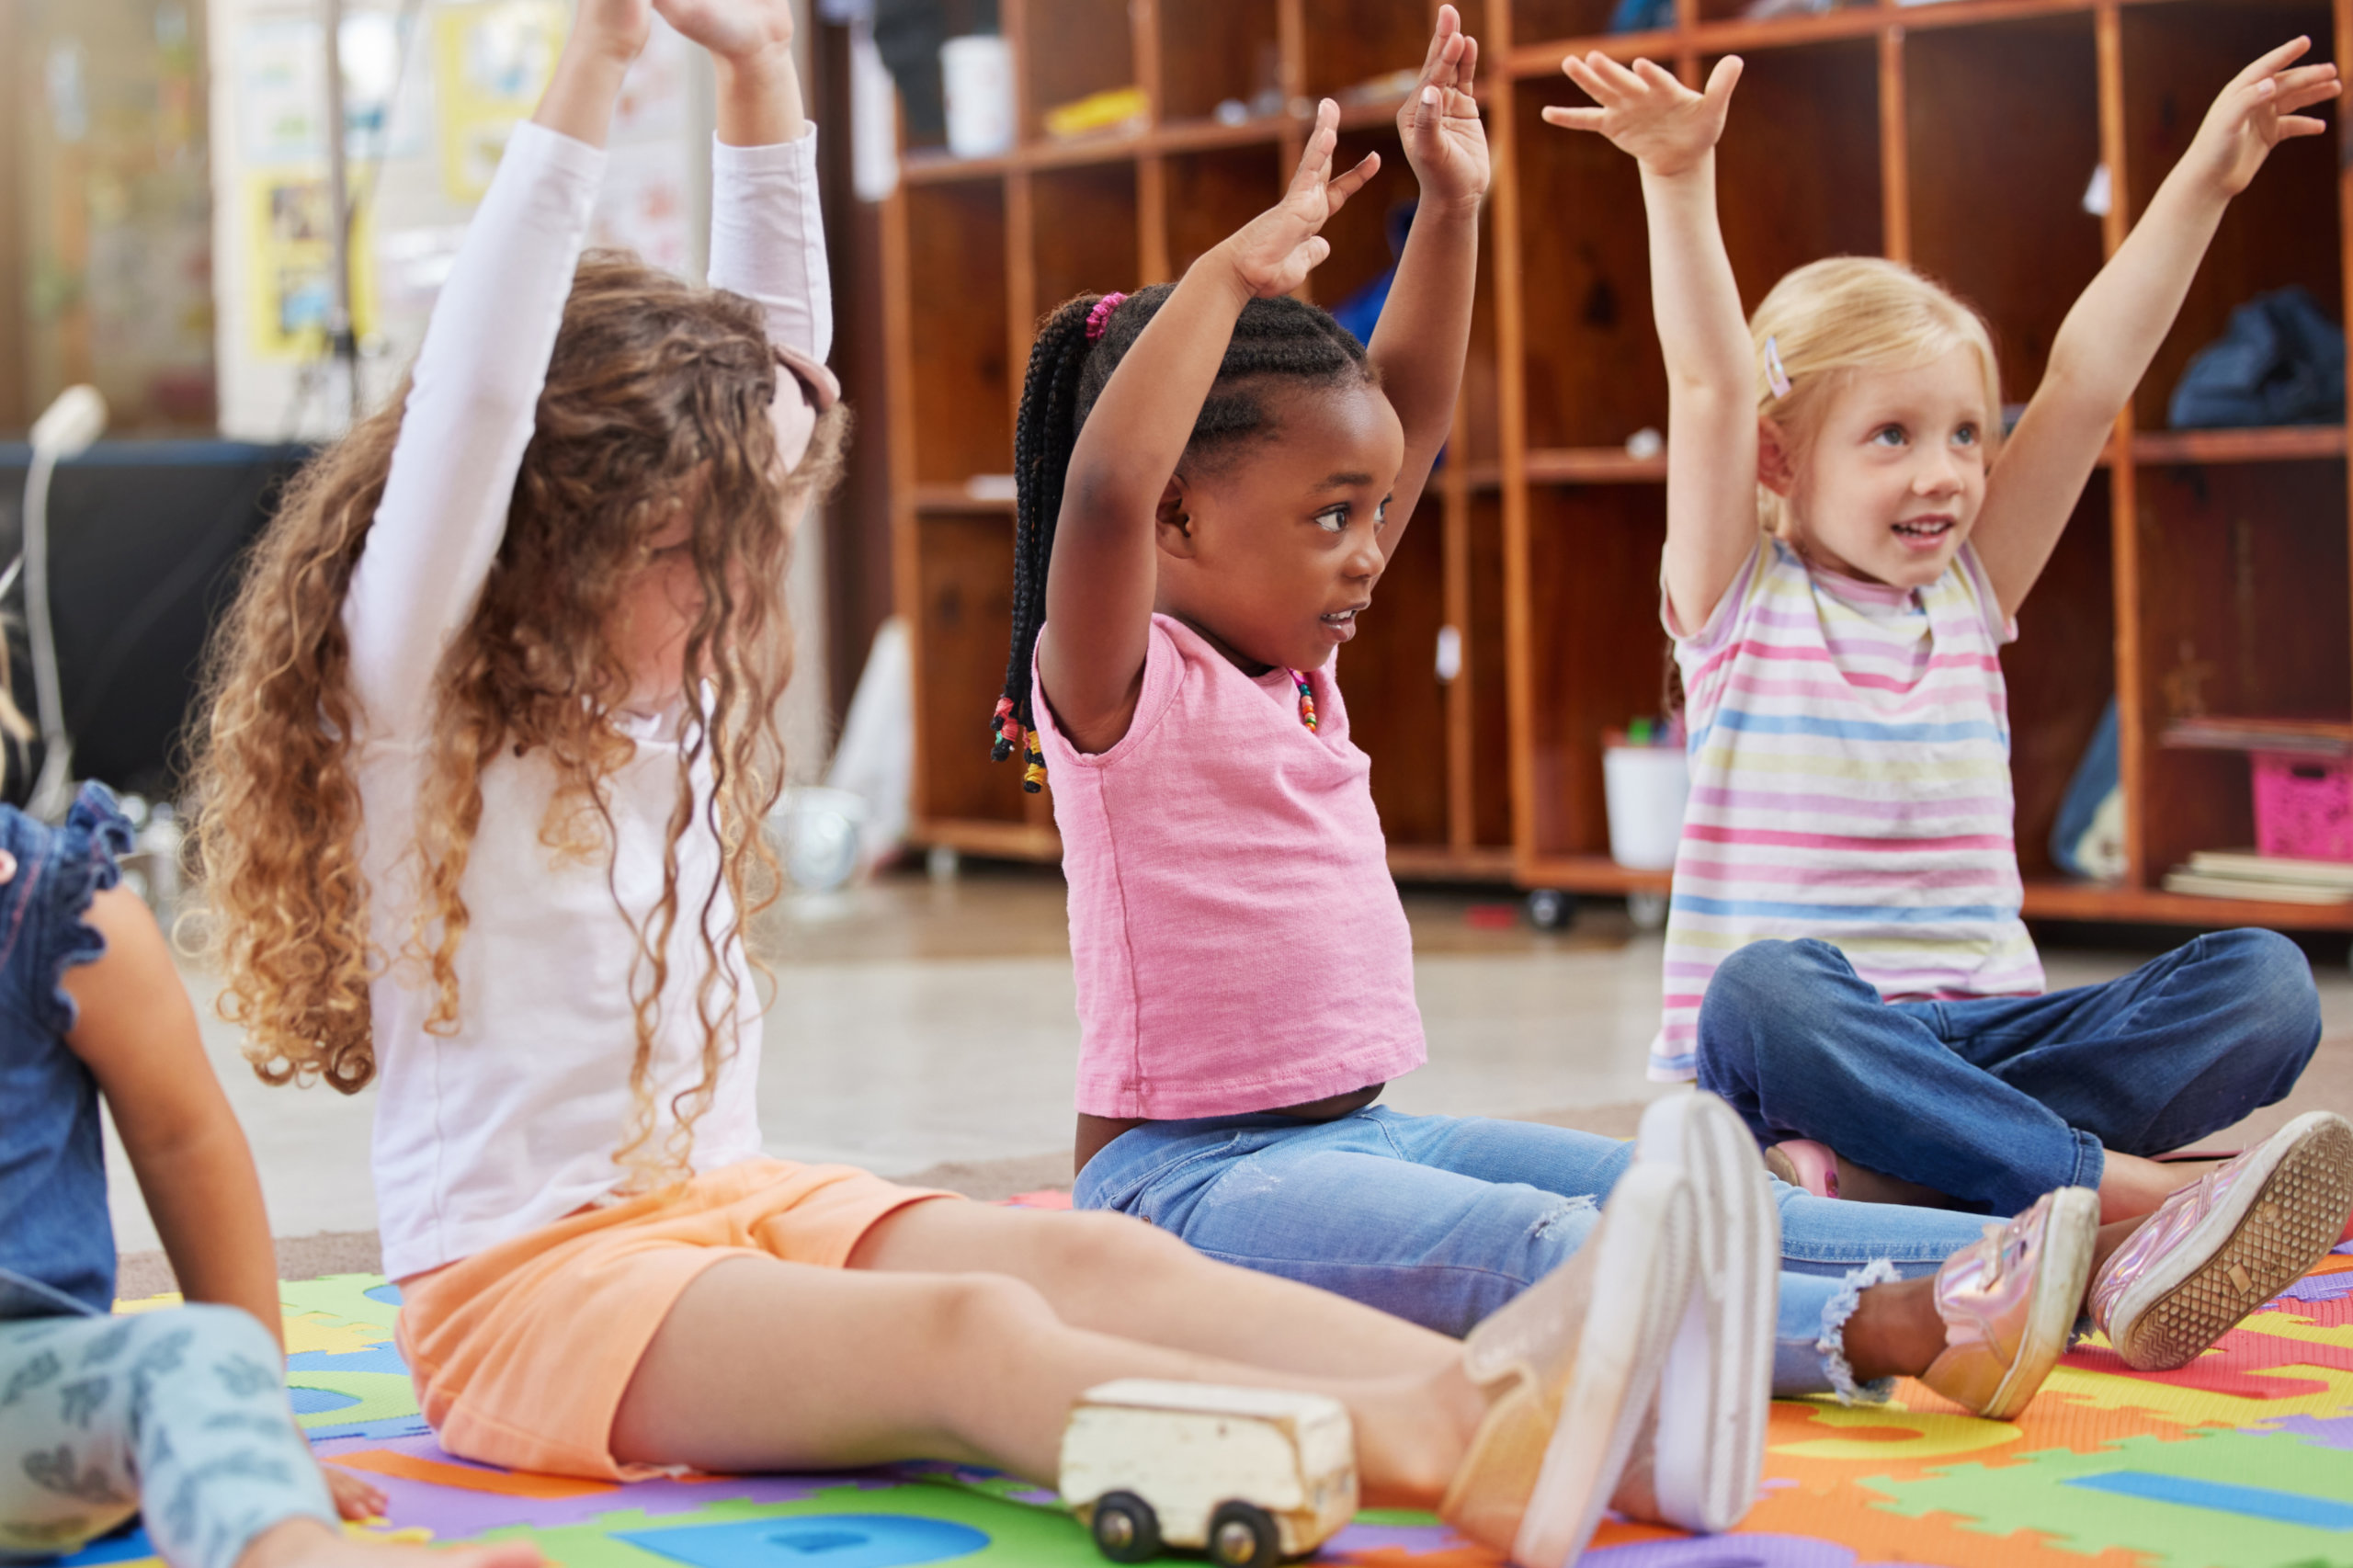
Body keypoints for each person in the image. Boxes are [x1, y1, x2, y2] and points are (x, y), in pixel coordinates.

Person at [187, 3, 1684, 1564]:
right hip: (532, 1293)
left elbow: (789, 367)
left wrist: (762, 74)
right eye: (681, 555)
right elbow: (481, 396)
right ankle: (1456, 1440)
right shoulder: (424, 701)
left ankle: (1518, 1387)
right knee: (970, 1332)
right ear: (546, 546)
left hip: (737, 1200)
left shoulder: (671, 681)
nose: (727, 592)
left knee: (1098, 1266)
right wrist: (600, 55)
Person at [982, 7, 2347, 1554]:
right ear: (1171, 523)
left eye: (1372, 513)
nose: (1374, 546)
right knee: (1550, 1240)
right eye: (1332, 520)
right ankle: (1904, 1328)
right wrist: (1234, 273)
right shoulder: (1114, 690)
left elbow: (1412, 408)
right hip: (1188, 1185)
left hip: (1365, 1128)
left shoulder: (1299, 663)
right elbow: (1098, 486)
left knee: (1685, 1198)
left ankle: (2076, 1249)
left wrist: (1459, 204)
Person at [1540, 38, 2349, 1249]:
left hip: (1992, 1039)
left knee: (2268, 986)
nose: (1948, 474)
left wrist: (2203, 183)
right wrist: (1676, 179)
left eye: (1967, 434)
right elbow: (1708, 382)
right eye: (1893, 437)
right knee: (1763, 987)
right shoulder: (1737, 601)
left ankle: (1896, 1176)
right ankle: (2133, 1193)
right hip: (1805, 1048)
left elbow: (2086, 378)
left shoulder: (1969, 592)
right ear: (1778, 459)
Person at [0, 743, 532, 1568]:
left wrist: (249, 1423)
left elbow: (186, 1142)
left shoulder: (61, 914)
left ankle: (293, 1553)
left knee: (195, 1361)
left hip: (22, 1406)